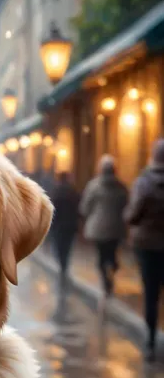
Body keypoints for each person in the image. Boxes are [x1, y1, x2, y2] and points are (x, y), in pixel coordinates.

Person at [125, 139, 164, 362]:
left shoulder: (144, 182)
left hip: (148, 247)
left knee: (151, 295)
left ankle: (150, 342)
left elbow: (133, 215)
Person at [80, 154, 128, 302]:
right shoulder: (121, 187)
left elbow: (85, 207)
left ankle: (106, 283)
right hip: (116, 228)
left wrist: (87, 215)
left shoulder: (93, 186)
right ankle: (113, 267)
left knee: (101, 256)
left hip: (98, 229)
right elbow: (127, 205)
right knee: (112, 253)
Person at [49, 171, 80, 289]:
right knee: (67, 246)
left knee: (59, 247)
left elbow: (52, 209)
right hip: (71, 224)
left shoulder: (56, 191)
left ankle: (62, 266)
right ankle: (64, 265)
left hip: (58, 225)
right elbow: (79, 206)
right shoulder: (73, 191)